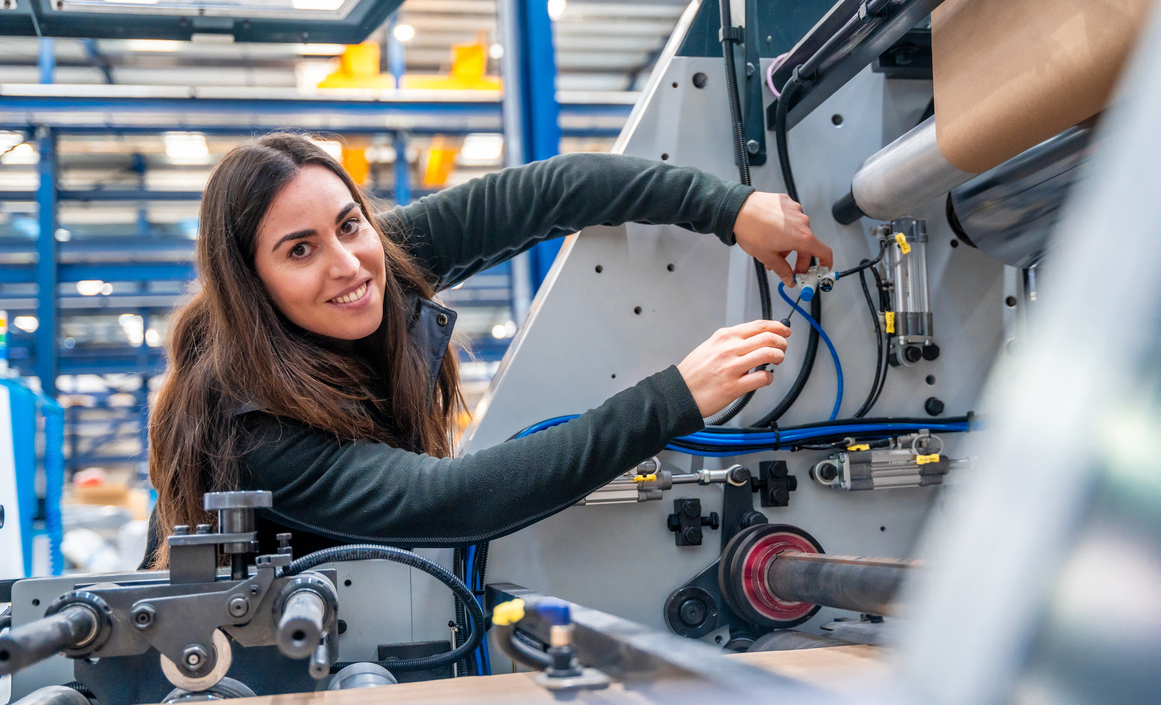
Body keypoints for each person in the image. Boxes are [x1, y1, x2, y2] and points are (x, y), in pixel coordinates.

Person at [142, 133, 830, 568]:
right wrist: (674, 396)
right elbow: (459, 501)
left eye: (349, 223)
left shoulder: (378, 257)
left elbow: (539, 194)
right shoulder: (251, 432)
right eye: (300, 250)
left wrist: (728, 208)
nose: (348, 263)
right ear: (250, 283)